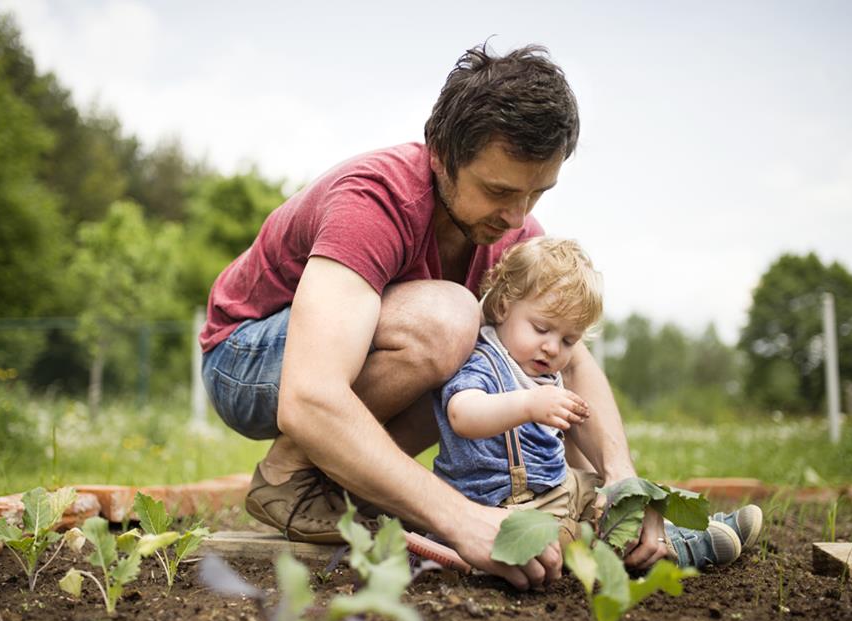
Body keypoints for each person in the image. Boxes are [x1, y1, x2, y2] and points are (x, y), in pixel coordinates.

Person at [200, 43, 668, 590]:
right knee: (451, 319)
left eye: (537, 193)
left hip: (339, 366)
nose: (518, 217)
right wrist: (459, 519)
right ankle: (288, 476)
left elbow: (573, 365)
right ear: (441, 155)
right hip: (244, 356)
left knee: (514, 344)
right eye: (499, 190)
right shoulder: (375, 202)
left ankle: (343, 487)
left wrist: (622, 478)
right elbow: (308, 396)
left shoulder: (509, 233)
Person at [432, 237, 764, 569]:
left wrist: (614, 493)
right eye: (541, 328)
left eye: (568, 340)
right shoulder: (485, 361)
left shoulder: (541, 371)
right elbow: (462, 413)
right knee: (570, 538)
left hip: (555, 491)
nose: (551, 347)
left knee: (614, 504)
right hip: (500, 507)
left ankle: (668, 532)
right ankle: (674, 549)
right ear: (503, 306)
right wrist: (528, 404)